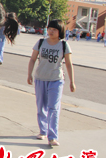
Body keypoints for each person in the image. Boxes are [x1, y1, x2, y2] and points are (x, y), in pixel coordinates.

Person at [27, 19, 76, 147]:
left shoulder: (64, 45)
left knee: (53, 108)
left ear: (60, 31)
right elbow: (32, 59)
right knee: (41, 106)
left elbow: (69, 64)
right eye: (49, 29)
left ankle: (52, 136)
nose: (51, 31)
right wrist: (29, 74)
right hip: (40, 78)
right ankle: (43, 131)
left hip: (56, 80)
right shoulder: (41, 42)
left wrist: (72, 81)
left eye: (54, 29)